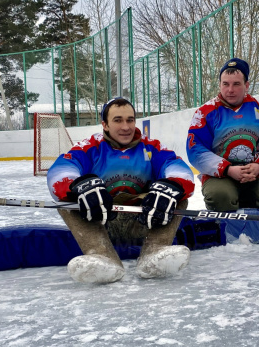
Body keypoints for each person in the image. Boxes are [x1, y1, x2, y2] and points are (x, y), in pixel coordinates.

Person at [47, 97, 195, 284]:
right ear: (105, 125)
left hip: (144, 222)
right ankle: (102, 256)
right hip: (101, 223)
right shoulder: (89, 148)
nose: (126, 127)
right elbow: (60, 170)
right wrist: (79, 186)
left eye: (130, 120)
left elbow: (177, 167)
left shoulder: (151, 147)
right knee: (68, 200)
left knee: (176, 195)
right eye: (118, 120)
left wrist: (172, 185)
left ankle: (155, 252)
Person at [187, 57, 259, 213]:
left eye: (236, 84)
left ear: (246, 85)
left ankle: (249, 203)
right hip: (221, 175)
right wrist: (227, 169)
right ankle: (232, 203)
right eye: (225, 84)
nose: (230, 90)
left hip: (255, 173)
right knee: (220, 198)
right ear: (220, 84)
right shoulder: (205, 113)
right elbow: (195, 149)